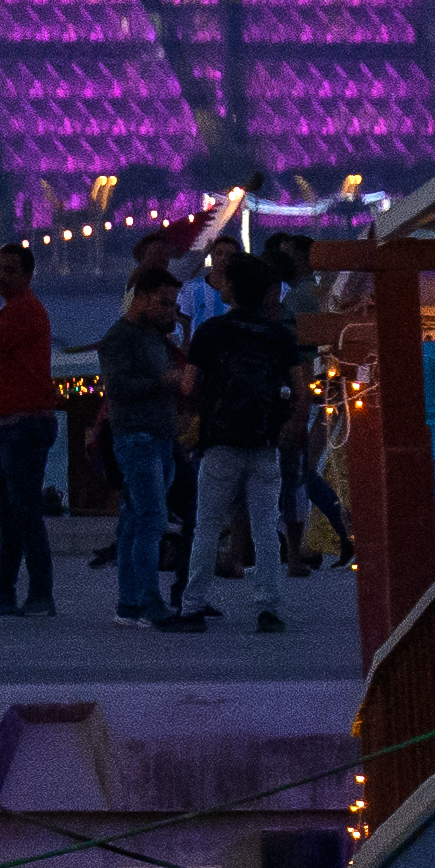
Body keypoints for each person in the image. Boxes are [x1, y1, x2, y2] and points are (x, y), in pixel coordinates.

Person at [187, 240, 305, 631]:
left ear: (233, 289)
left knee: (206, 525)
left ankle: (194, 604)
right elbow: (299, 390)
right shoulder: (278, 336)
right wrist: (289, 425)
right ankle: (268, 607)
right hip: (264, 441)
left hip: (220, 441)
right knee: (265, 528)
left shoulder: (210, 332)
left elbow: (190, 385)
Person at [0, 233, 65, 616]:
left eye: (9, 270)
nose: (0, 276)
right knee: (8, 512)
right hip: (10, 425)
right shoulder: (14, 310)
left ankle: (40, 593)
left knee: (24, 512)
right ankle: (4, 588)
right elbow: (9, 369)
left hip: (25, 427)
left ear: (27, 275)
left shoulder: (24, 309)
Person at [97, 256, 196, 637]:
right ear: (141, 298)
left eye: (173, 304)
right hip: (135, 438)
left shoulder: (155, 338)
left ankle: (129, 603)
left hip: (159, 437)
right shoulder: (119, 339)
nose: (169, 311)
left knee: (136, 523)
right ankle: (150, 603)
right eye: (163, 303)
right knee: (152, 521)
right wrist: (166, 383)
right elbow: (118, 388)